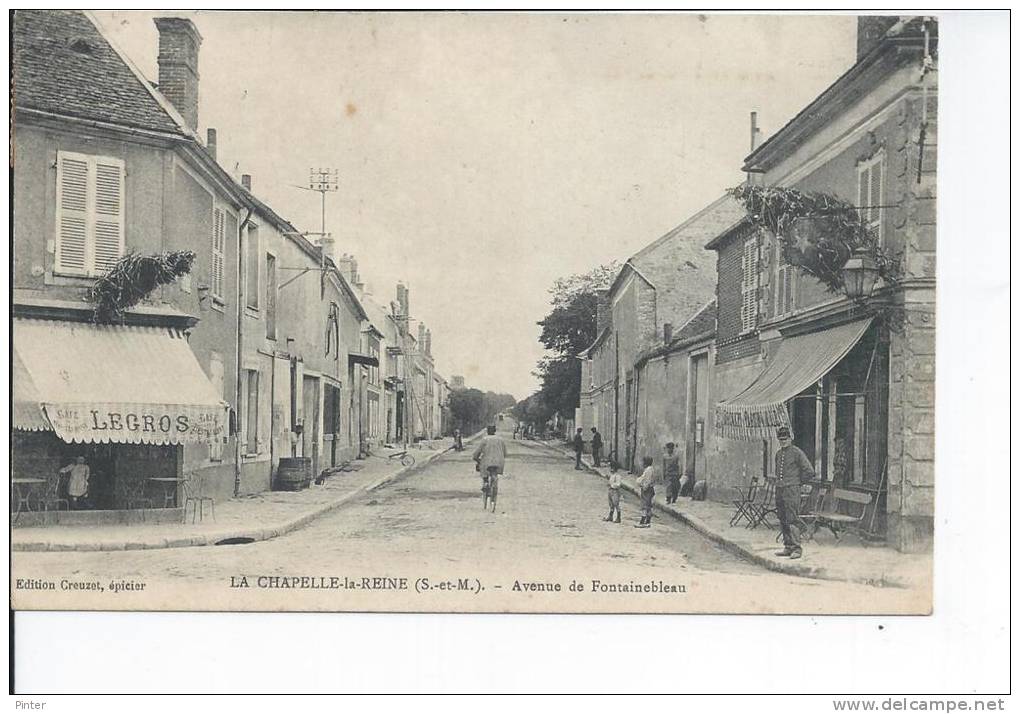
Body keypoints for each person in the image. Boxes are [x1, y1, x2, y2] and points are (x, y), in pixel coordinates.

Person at [774, 426, 814, 559]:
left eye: (785, 439)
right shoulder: (778, 454)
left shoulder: (797, 452)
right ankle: (788, 546)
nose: (783, 441)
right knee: (782, 517)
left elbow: (809, 471)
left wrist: (798, 482)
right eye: (781, 439)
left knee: (792, 518)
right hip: (780, 490)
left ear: (790, 438)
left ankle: (797, 548)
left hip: (792, 490)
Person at [473, 425, 507, 510]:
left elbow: (478, 451)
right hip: (499, 462)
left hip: (487, 462)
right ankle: (493, 488)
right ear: (495, 431)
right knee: (494, 474)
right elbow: (505, 453)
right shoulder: (501, 439)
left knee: (484, 470)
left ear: (488, 431)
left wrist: (476, 458)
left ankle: (485, 482)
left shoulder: (485, 439)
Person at [635, 456, 657, 528]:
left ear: (645, 463)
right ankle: (648, 521)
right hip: (650, 489)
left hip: (647, 490)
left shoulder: (648, 470)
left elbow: (647, 480)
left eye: (643, 462)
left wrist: (643, 487)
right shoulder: (651, 469)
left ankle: (643, 521)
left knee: (644, 506)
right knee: (648, 506)